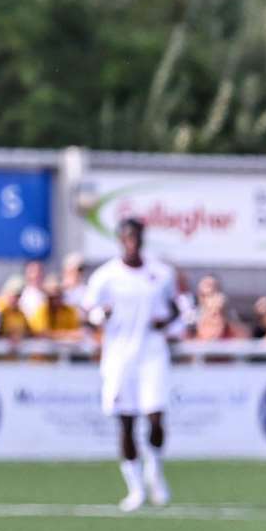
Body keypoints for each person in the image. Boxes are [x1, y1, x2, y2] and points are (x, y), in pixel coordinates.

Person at [82, 218, 178, 511]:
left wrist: (166, 321)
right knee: (126, 420)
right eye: (126, 237)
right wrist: (101, 317)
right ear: (120, 240)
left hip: (152, 351)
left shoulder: (161, 273)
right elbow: (87, 313)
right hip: (120, 355)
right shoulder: (106, 276)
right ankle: (135, 487)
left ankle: (155, 472)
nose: (132, 241)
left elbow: (176, 307)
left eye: (136, 236)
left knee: (156, 416)